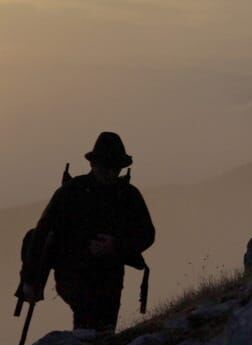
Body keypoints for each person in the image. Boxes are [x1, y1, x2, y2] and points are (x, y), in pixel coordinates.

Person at [17, 132, 156, 332]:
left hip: (110, 275)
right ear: (93, 165)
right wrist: (29, 280)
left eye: (114, 168)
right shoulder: (70, 193)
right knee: (88, 323)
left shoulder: (128, 195)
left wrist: (115, 245)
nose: (110, 173)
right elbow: (41, 234)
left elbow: (147, 234)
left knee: (104, 329)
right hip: (73, 272)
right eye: (105, 167)